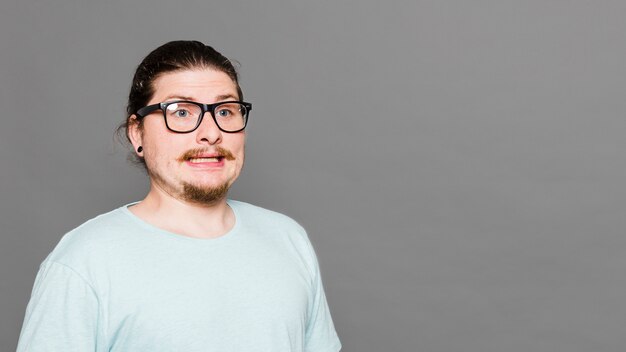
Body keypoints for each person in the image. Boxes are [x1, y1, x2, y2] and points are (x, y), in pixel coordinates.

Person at [17, 40, 341, 352]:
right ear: (137, 133)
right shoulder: (83, 263)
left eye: (226, 111)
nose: (211, 132)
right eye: (181, 112)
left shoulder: (288, 239)